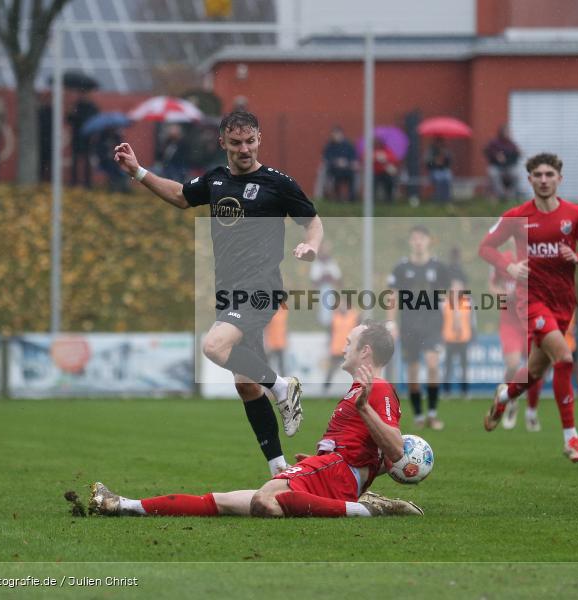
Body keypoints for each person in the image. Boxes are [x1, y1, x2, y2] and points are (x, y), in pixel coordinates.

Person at [113, 111, 324, 476]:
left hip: (260, 287)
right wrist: (139, 172)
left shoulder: (278, 183)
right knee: (245, 384)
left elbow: (313, 220)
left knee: (214, 347)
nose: (245, 149)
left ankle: (282, 386)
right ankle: (279, 469)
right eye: (237, 142)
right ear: (223, 143)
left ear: (260, 139)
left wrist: (311, 246)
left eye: (251, 141)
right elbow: (181, 196)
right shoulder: (216, 180)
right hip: (228, 292)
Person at [86, 321, 423, 519]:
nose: (343, 347)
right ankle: (123, 505)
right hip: (327, 470)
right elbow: (374, 455)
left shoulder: (377, 389)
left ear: (366, 352)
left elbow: (394, 449)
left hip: (334, 474)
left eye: (350, 343)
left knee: (266, 499)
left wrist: (364, 411)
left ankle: (363, 509)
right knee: (222, 501)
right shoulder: (360, 389)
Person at [480, 153, 578, 461]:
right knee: (563, 358)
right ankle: (571, 439)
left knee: (535, 370)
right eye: (538, 175)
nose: (544, 179)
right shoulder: (517, 216)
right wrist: (509, 267)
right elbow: (486, 247)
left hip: (564, 303)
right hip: (530, 300)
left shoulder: (574, 215)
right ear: (530, 179)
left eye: (550, 174)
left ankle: (505, 396)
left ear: (559, 178)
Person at [387, 226, 452, 430]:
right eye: (414, 238)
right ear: (410, 242)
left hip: (432, 324)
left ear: (428, 241)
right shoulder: (401, 268)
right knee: (413, 371)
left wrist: (450, 318)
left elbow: (448, 295)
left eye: (421, 238)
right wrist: (391, 322)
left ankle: (432, 414)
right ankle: (418, 415)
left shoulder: (439, 267)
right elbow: (392, 296)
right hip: (409, 326)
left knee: (433, 364)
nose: (418, 242)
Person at [487, 250, 541, 433]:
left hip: (531, 320)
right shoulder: (504, 259)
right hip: (509, 322)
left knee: (535, 368)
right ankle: (509, 399)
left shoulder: (537, 256)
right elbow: (492, 286)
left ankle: (532, 412)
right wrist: (503, 294)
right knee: (513, 363)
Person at [441, 280, 473, 400]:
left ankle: (464, 392)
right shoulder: (445, 303)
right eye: (454, 288)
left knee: (464, 367)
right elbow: (442, 320)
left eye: (458, 288)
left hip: (463, 339)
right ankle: (446, 392)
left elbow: (468, 320)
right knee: (447, 367)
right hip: (449, 339)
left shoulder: (466, 302)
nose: (456, 291)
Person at [323, 304, 359, 393]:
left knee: (357, 369)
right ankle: (325, 389)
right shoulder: (334, 316)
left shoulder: (354, 315)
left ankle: (360, 387)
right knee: (331, 370)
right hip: (337, 348)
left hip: (350, 349)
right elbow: (330, 332)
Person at [67, 90, 98, 187]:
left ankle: (87, 183)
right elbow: (69, 119)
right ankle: (74, 181)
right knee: (75, 160)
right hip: (77, 137)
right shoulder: (76, 106)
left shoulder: (92, 107)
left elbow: (95, 120)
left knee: (87, 160)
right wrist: (71, 112)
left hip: (87, 138)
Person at [484, 126, 521, 201]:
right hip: (496, 166)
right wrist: (496, 155)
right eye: (507, 132)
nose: (508, 134)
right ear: (501, 133)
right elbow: (487, 152)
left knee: (516, 175)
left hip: (509, 167)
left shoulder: (511, 144)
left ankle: (510, 195)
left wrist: (518, 152)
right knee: (493, 174)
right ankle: (501, 194)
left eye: (509, 132)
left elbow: (516, 155)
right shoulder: (494, 143)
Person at [322, 126, 358, 202]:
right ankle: (338, 197)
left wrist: (349, 163)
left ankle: (351, 197)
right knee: (337, 177)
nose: (335, 136)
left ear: (341, 134)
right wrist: (336, 161)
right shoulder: (330, 146)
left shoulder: (348, 145)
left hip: (347, 169)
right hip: (334, 169)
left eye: (337, 133)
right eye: (334, 134)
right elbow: (326, 158)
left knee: (352, 176)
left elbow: (353, 157)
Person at [426, 137, 453, 203]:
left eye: (440, 143)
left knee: (447, 178)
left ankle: (446, 197)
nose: (439, 144)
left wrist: (444, 159)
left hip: (444, 170)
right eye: (438, 143)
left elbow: (449, 162)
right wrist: (434, 162)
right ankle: (438, 197)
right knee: (438, 180)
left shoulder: (445, 151)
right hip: (435, 170)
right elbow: (428, 164)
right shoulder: (431, 152)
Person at [264, 303, 288, 375]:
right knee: (269, 364)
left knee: (281, 365)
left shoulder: (282, 310)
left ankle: (282, 381)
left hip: (280, 343)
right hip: (271, 343)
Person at [373, 138, 400, 203]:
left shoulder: (387, 150)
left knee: (390, 181)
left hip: (385, 172)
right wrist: (375, 158)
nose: (378, 145)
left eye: (379, 143)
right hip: (375, 173)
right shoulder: (372, 150)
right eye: (377, 143)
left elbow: (394, 159)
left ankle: (389, 198)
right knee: (373, 183)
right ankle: (373, 199)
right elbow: (365, 158)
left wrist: (385, 158)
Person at [37, 91, 53, 182]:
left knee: (49, 162)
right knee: (42, 162)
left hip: (49, 140)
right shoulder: (41, 111)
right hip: (43, 140)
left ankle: (48, 179)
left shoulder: (52, 112)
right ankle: (41, 179)